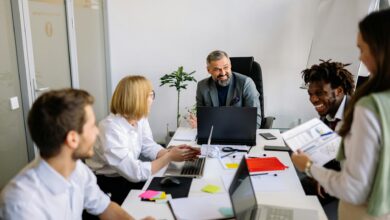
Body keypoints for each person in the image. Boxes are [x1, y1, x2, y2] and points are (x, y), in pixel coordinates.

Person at [292, 8, 390, 220]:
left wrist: (308, 167)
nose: (361, 58)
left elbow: (353, 187)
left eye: (363, 49)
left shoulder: (366, 107)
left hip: (361, 209)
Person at [0, 89, 148, 220]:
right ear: (72, 139)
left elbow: (105, 207)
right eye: (91, 126)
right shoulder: (22, 204)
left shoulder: (78, 170)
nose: (97, 131)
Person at [86, 75, 199, 205]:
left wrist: (172, 152)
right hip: (108, 184)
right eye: (150, 95)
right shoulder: (110, 128)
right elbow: (135, 173)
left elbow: (148, 145)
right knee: (162, 201)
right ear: (137, 99)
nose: (152, 99)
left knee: (178, 192)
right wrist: (169, 157)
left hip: (128, 176)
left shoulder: (140, 118)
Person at [300, 60, 355, 204]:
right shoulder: (329, 113)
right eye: (310, 94)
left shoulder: (358, 116)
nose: (313, 99)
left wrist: (324, 177)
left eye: (319, 93)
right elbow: (329, 152)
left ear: (339, 91)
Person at [188, 50, 261, 128]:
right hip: (213, 134)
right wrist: (198, 123)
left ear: (230, 66)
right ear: (209, 70)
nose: (222, 73)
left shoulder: (246, 83)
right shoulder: (202, 86)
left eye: (225, 67)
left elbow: (255, 120)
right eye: (217, 69)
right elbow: (201, 118)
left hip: (240, 132)